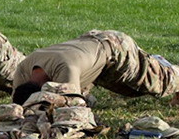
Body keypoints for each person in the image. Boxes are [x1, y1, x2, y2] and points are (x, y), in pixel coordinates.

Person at [10, 30, 179, 104]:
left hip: (116, 49)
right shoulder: (22, 71)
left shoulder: (65, 70)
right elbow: (17, 105)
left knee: (157, 84)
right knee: (129, 91)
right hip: (92, 53)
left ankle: (167, 69)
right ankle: (154, 62)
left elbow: (72, 110)